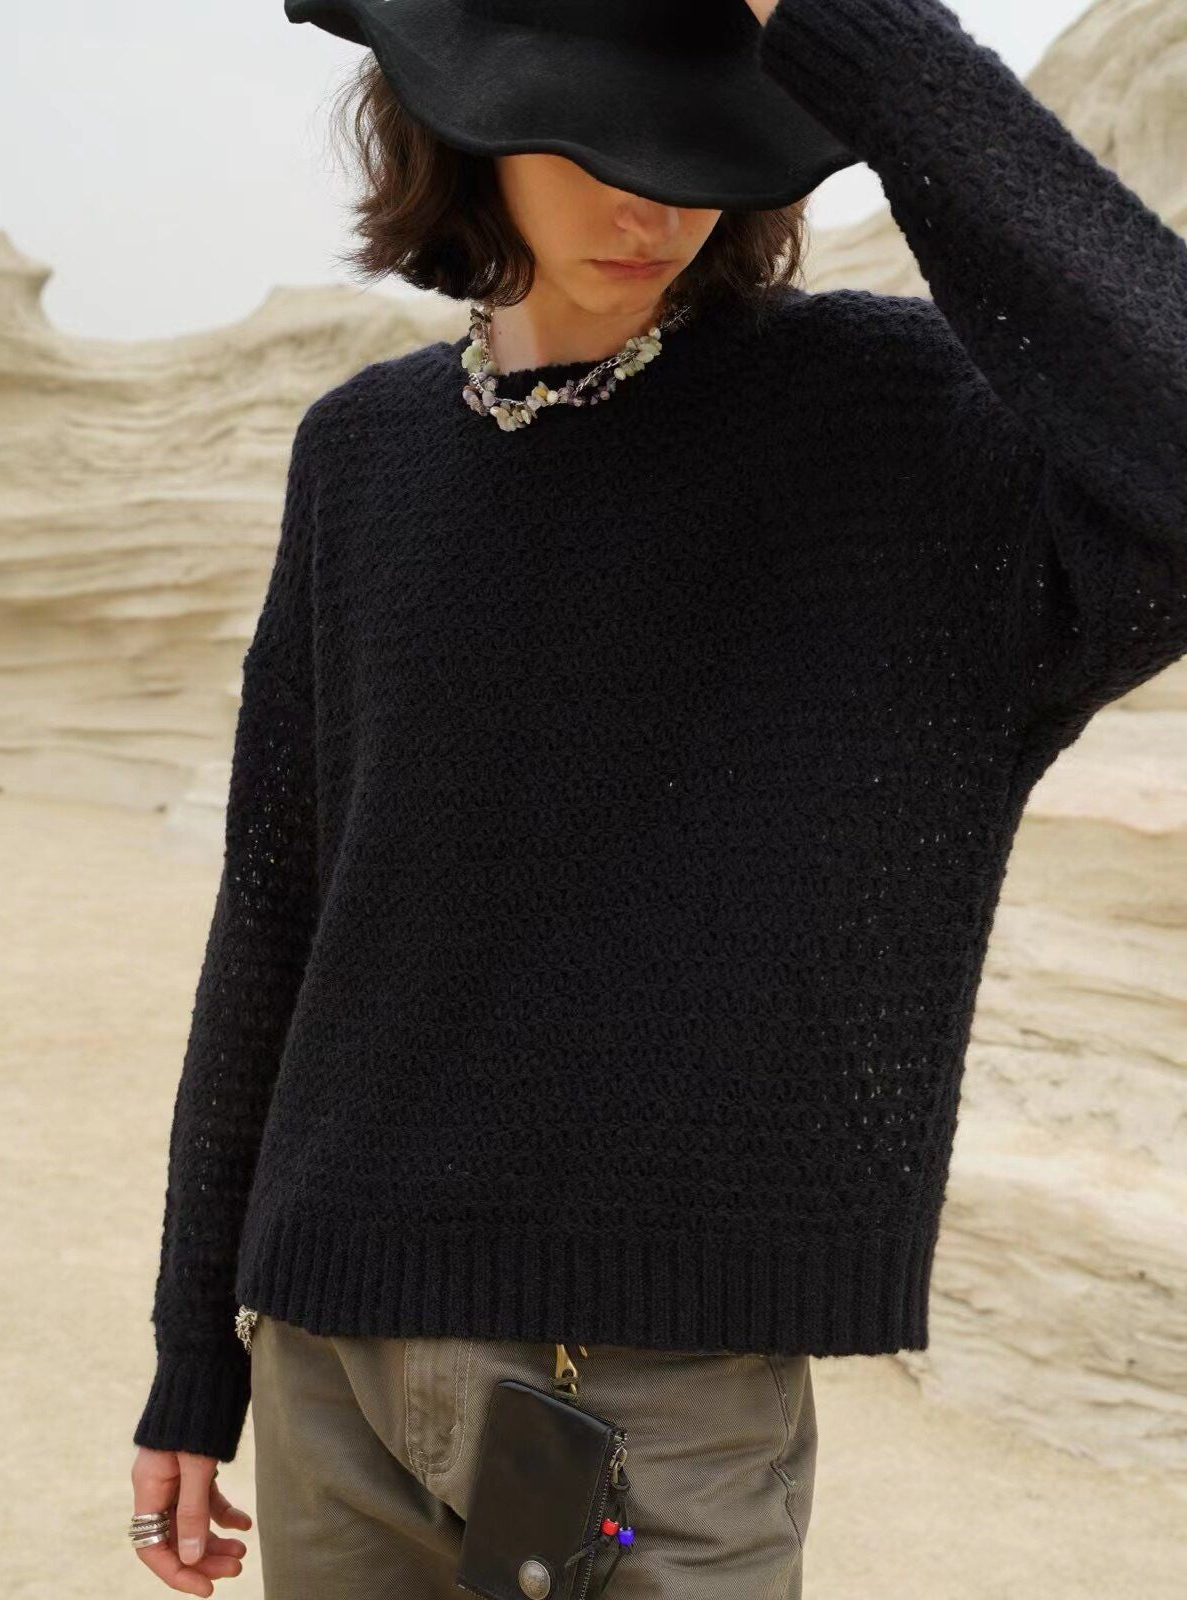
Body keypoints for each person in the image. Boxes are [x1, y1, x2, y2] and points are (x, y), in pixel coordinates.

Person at [128, 1, 1187, 1596]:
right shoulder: (361, 455)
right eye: (597, 144)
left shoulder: (886, 428)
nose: (655, 205)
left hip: (651, 1408)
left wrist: (849, 27)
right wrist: (191, 1353)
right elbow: (276, 921)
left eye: (700, 152)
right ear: (462, 124)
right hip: (328, 1367)